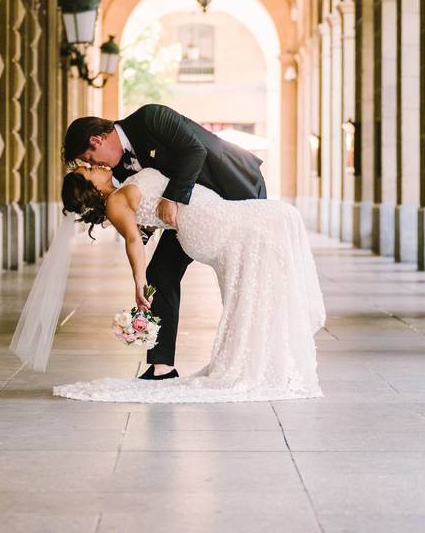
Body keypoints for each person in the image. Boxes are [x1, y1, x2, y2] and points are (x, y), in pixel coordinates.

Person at [52, 164, 325, 403]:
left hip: (208, 217)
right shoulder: (115, 202)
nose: (93, 166)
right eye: (88, 171)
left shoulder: (123, 188)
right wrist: (139, 283)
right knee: (282, 216)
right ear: (92, 188)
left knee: (278, 227)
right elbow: (134, 240)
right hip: (209, 223)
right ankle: (262, 362)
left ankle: (267, 360)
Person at [61, 104, 267, 380]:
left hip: (234, 187)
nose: (95, 165)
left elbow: (195, 151)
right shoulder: (117, 170)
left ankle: (255, 355)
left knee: (244, 277)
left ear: (97, 140)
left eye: (91, 157)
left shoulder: (150, 118)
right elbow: (140, 211)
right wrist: (141, 232)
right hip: (188, 215)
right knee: (160, 274)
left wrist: (171, 199)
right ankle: (162, 366)